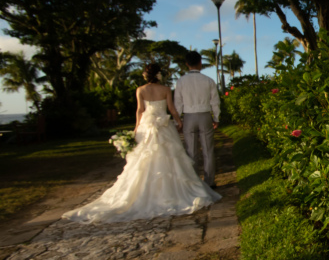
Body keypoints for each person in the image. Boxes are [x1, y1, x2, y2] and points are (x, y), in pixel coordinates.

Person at [63, 64, 221, 223]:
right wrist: (178, 121)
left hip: (147, 125)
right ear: (159, 75)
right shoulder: (165, 89)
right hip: (164, 126)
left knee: (145, 159)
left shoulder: (140, 90)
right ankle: (178, 189)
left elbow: (139, 110)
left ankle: (146, 192)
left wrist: (137, 127)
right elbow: (172, 109)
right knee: (172, 156)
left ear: (145, 76)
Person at [173, 50, 221, 188]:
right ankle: (209, 182)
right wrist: (216, 118)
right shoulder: (208, 80)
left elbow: (178, 103)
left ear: (187, 64)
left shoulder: (181, 81)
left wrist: (178, 121)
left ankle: (194, 183)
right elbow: (215, 102)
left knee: (191, 151)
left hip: (188, 117)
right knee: (208, 150)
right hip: (205, 115)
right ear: (200, 63)